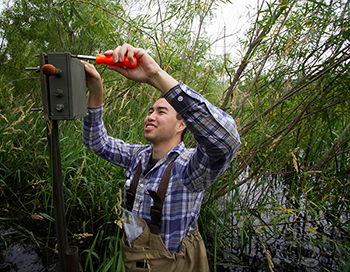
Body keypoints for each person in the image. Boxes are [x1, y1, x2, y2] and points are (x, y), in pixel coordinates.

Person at [82, 43, 241, 271]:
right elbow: (96, 142)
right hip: (133, 259)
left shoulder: (187, 167)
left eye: (161, 111)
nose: (151, 116)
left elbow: (226, 141)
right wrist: (96, 90)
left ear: (182, 124)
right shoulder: (138, 156)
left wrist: (155, 76)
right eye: (150, 111)